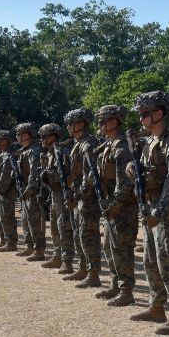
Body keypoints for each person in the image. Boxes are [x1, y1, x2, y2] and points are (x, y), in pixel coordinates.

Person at [127, 91, 169, 335]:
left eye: (145, 114)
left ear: (159, 113)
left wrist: (160, 212)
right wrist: (133, 167)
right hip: (150, 210)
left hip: (167, 214)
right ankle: (157, 306)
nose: (142, 119)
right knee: (151, 261)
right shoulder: (149, 142)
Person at [93, 105, 138, 306]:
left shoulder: (122, 147)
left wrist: (115, 205)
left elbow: (124, 183)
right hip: (110, 206)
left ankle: (126, 291)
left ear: (114, 121)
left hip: (122, 209)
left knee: (122, 249)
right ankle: (115, 284)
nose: (100, 125)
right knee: (109, 248)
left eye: (104, 120)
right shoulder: (108, 145)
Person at [63, 108, 102, 288]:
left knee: (89, 237)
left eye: (71, 123)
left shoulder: (88, 144)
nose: (69, 127)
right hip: (79, 197)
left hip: (88, 199)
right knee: (80, 235)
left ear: (80, 124)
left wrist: (78, 194)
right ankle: (83, 268)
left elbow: (90, 176)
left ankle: (93, 274)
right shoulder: (78, 143)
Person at [38, 123, 76, 274]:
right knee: (54, 227)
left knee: (64, 227)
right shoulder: (49, 153)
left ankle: (67, 261)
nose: (42, 139)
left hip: (62, 194)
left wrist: (48, 175)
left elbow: (67, 176)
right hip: (53, 194)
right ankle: (57, 256)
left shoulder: (63, 151)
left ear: (53, 136)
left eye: (45, 136)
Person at [14, 122, 46, 262]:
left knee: (34, 222)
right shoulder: (23, 151)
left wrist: (30, 187)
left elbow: (34, 171)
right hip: (25, 190)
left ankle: (39, 250)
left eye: (21, 133)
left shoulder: (34, 150)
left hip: (33, 191)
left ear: (29, 134)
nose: (18, 136)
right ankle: (29, 245)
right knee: (25, 220)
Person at [0, 130, 19, 252]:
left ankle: (11, 242)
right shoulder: (1, 155)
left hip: (6, 191)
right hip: (0, 191)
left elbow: (6, 175)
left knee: (6, 216)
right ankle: (3, 239)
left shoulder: (9, 156)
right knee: (0, 216)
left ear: (5, 141)